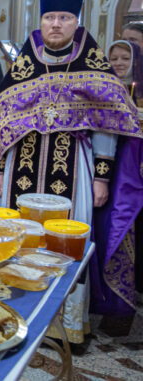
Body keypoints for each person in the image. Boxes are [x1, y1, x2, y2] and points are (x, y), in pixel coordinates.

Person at [0, 0, 142, 344]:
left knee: (67, 244)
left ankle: (68, 326)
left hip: (76, 173)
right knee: (18, 240)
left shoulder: (94, 64)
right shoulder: (25, 64)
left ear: (75, 22)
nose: (55, 24)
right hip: (21, 166)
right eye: (49, 16)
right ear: (41, 20)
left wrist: (102, 178)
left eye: (64, 17)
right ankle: (16, 316)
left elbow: (108, 127)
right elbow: (0, 123)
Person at [90, 39, 143, 319]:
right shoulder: (101, 91)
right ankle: (102, 299)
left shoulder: (136, 93)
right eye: (114, 59)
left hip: (131, 175)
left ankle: (120, 300)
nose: (119, 64)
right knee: (105, 230)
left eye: (125, 58)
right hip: (110, 173)